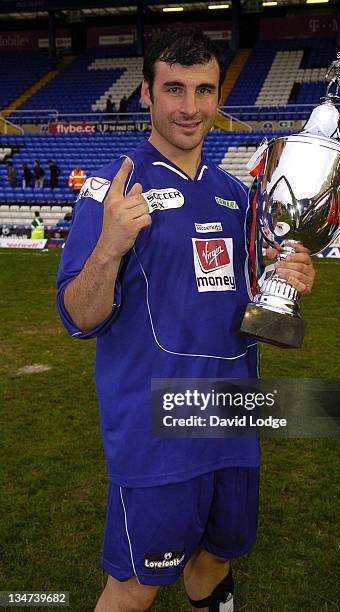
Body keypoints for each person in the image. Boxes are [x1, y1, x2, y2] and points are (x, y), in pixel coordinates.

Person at [56, 29, 315, 612]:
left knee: (216, 559)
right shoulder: (111, 193)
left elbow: (256, 298)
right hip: (156, 434)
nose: (191, 107)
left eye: (204, 90)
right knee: (135, 587)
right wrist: (109, 248)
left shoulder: (237, 195)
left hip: (233, 422)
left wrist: (290, 276)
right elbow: (78, 316)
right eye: (174, 89)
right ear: (146, 94)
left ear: (219, 95)